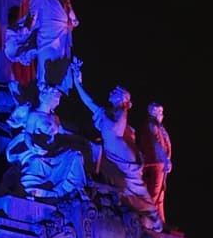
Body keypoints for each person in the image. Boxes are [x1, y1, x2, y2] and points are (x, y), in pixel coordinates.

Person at [70, 69, 162, 229]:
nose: (111, 92)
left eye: (115, 92)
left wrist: (124, 109)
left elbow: (117, 130)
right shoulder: (109, 112)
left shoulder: (120, 111)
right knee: (132, 191)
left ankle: (153, 219)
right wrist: (78, 83)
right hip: (116, 157)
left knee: (134, 191)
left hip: (124, 160)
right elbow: (89, 101)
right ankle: (151, 218)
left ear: (122, 98)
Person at [137, 103, 173, 226]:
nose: (162, 115)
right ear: (154, 112)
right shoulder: (151, 124)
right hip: (155, 162)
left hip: (160, 163)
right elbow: (156, 143)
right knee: (154, 193)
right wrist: (165, 159)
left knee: (160, 194)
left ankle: (160, 221)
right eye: (160, 112)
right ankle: (148, 221)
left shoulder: (157, 125)